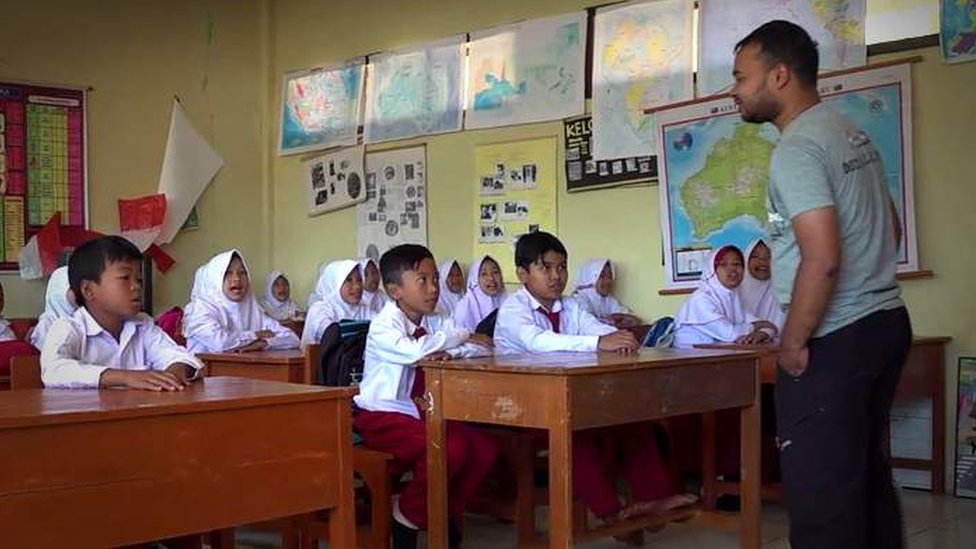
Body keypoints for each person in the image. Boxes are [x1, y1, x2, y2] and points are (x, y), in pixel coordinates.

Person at [731, 20, 911, 549]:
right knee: (867, 481)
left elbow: (823, 258)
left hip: (835, 339)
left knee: (822, 498)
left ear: (779, 76)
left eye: (741, 77)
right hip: (884, 324)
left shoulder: (797, 149)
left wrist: (792, 341)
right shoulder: (849, 131)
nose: (734, 91)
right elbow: (892, 229)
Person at [494, 231, 695, 530]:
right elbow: (539, 342)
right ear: (523, 274)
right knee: (573, 430)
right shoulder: (513, 310)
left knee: (630, 418)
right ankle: (610, 513)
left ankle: (651, 500)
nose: (556, 276)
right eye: (545, 268)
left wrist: (619, 337)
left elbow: (595, 328)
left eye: (562, 267)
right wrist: (598, 343)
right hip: (520, 407)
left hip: (562, 399)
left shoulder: (569, 305)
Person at [353, 244, 497, 549]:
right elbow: (414, 352)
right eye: (423, 280)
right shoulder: (384, 325)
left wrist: (451, 349)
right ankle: (407, 515)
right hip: (382, 415)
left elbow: (481, 348)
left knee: (485, 449)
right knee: (450, 448)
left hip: (420, 411)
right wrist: (458, 338)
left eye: (435, 279)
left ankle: (442, 511)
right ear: (395, 290)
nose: (434, 289)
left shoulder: (435, 318)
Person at [40, 236, 204, 391]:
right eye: (125, 278)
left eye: (139, 279)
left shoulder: (143, 325)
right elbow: (54, 370)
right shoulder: (69, 327)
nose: (137, 286)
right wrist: (124, 377)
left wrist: (175, 372)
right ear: (88, 290)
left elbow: (180, 357)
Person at [183, 250, 300, 353]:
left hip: (244, 369)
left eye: (242, 272)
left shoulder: (252, 309)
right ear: (215, 279)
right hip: (206, 371)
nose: (237, 278)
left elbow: (293, 338)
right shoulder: (199, 310)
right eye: (228, 273)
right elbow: (221, 343)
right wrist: (256, 335)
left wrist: (265, 343)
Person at [672, 245, 777, 348]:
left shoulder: (735, 296)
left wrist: (763, 333)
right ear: (712, 270)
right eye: (723, 264)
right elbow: (730, 334)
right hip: (690, 356)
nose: (732, 270)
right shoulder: (701, 299)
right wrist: (757, 326)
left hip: (720, 354)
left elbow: (769, 327)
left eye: (737, 264)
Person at [301, 259, 371, 345]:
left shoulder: (364, 308)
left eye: (359, 280)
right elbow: (330, 334)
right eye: (349, 280)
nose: (358, 286)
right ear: (335, 283)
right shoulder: (320, 309)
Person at [571, 258, 641, 328]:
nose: (608, 281)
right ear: (590, 278)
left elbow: (634, 320)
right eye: (602, 276)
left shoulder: (608, 299)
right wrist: (615, 320)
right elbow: (589, 324)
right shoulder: (577, 299)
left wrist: (615, 317)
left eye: (610, 276)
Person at [740, 239, 786, 331]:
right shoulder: (733, 292)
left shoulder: (784, 293)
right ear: (746, 260)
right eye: (755, 256)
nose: (762, 261)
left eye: (769, 256)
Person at [452, 255, 505, 333]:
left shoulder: (508, 302)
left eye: (495, 272)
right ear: (475, 280)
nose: (491, 278)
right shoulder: (465, 306)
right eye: (484, 274)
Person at [28, 266, 77, 348]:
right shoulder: (46, 324)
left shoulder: (83, 318)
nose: (79, 292)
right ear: (59, 291)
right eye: (72, 288)